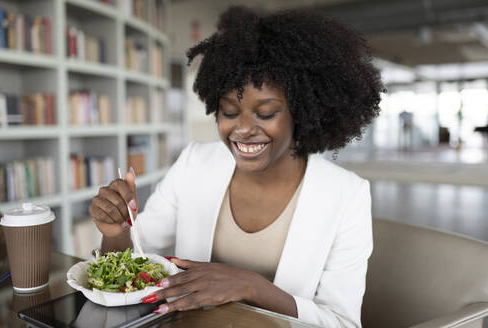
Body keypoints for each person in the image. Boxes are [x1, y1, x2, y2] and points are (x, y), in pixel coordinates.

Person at [89, 6, 383, 327]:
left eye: (266, 113)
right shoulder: (194, 163)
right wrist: (116, 233)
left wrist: (252, 287)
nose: (243, 129)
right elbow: (133, 264)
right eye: (229, 112)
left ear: (302, 112)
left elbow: (342, 322)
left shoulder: (346, 194)